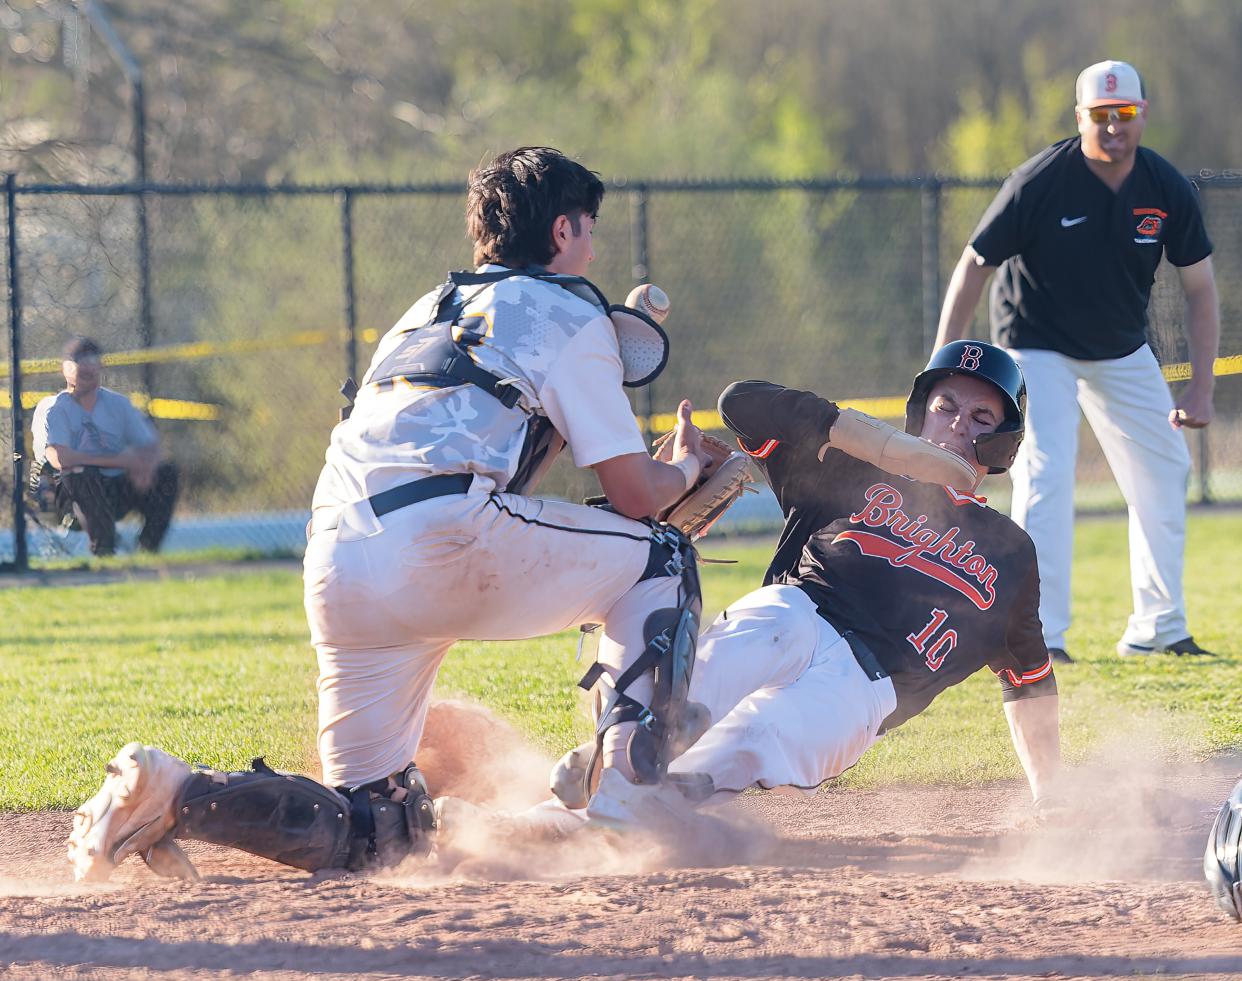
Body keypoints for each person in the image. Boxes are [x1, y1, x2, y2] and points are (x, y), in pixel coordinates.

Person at [67, 146, 715, 882]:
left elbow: (495, 461)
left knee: (376, 831)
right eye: (589, 228)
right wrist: (687, 466)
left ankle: (174, 791)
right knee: (662, 556)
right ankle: (633, 809)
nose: (592, 245)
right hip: (442, 538)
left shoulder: (422, 314)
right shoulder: (571, 312)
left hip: (338, 558)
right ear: (562, 231)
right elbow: (634, 495)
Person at [439, 340, 1061, 844]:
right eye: (946, 406)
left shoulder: (1008, 551)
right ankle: (624, 755)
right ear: (920, 409)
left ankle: (580, 811)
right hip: (800, 614)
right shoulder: (850, 469)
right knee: (763, 626)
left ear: (1002, 444)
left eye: (980, 419)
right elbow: (744, 403)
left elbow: (1029, 683)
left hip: (862, 690)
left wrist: (1050, 798)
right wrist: (874, 442)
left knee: (758, 737)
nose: (955, 427)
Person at [934, 60, 1220, 664]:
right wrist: (947, 365)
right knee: (1047, 469)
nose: (1114, 127)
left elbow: (1200, 290)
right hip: (1036, 341)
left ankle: (1159, 628)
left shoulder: (1165, 187)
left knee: (1166, 465)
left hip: (1119, 345)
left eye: (1126, 114)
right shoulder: (1039, 181)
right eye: (1101, 116)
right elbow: (973, 267)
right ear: (1080, 117)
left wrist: (1199, 388)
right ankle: (1040, 635)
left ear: (1141, 114)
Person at [30, 336, 179, 556]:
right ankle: (104, 551)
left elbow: (151, 445)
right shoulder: (54, 407)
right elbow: (59, 458)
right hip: (67, 496)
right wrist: (122, 461)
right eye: (79, 361)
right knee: (81, 472)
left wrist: (145, 465)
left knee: (166, 473)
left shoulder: (117, 404)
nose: (86, 367)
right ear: (65, 369)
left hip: (113, 488)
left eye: (92, 360)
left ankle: (148, 551)